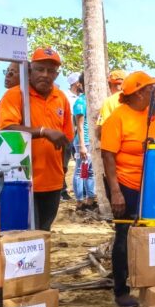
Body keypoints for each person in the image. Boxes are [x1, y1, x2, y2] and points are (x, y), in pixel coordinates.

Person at [99, 71, 155, 307]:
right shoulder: (117, 118)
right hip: (125, 184)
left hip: (148, 186)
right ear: (138, 93)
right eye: (151, 88)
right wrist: (115, 192)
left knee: (146, 234)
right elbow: (108, 156)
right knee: (124, 234)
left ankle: (145, 280)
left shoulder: (151, 117)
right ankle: (121, 289)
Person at [0, 48, 73, 231]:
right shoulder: (15, 94)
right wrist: (43, 131)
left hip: (53, 181)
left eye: (51, 71)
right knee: (28, 232)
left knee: (44, 231)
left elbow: (67, 138)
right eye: (40, 69)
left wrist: (62, 169)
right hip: (23, 180)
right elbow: (7, 129)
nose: (45, 75)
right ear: (30, 71)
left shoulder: (61, 98)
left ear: (56, 74)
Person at [69, 73, 96, 210]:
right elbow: (79, 126)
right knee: (80, 171)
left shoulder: (91, 100)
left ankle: (90, 199)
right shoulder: (80, 102)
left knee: (89, 171)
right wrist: (82, 146)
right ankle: (79, 201)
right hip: (83, 142)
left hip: (89, 141)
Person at [95, 69, 127, 137]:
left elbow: (101, 130)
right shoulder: (135, 98)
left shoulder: (109, 101)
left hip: (116, 143)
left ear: (109, 84)